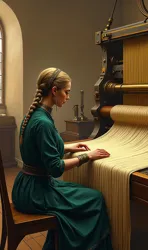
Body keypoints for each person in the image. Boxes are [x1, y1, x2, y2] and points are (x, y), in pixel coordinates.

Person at [12, 67, 112, 250]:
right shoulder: (43, 122)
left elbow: (40, 148)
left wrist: (66, 146)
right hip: (35, 193)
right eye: (66, 92)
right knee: (95, 198)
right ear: (54, 91)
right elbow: (55, 168)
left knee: (79, 196)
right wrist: (86, 156)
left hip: (25, 186)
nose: (67, 97)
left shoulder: (35, 114)